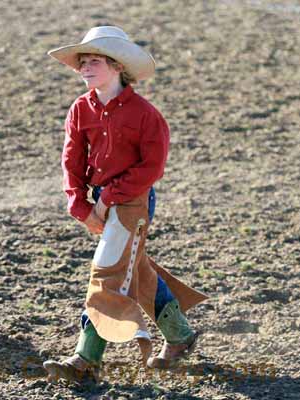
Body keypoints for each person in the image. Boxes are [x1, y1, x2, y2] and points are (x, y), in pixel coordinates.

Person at [43, 26, 209, 383]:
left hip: (133, 201)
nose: (85, 67)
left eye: (94, 61)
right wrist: (81, 207)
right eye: (82, 62)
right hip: (102, 202)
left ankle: (85, 359)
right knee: (135, 270)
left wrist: (108, 198)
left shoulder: (145, 114)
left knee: (107, 273)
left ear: (117, 66)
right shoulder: (79, 109)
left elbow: (152, 167)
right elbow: (71, 162)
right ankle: (179, 336)